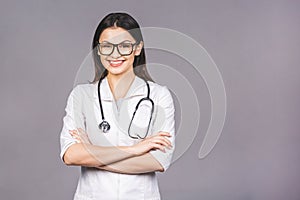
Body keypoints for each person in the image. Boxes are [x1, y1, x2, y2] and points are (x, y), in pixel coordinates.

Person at [60, 12, 176, 200]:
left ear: (138, 48)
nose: (115, 54)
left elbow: (159, 160)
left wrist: (91, 152)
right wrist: (133, 150)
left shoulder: (159, 96)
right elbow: (71, 155)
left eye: (124, 46)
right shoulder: (81, 96)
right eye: (107, 46)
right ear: (98, 50)